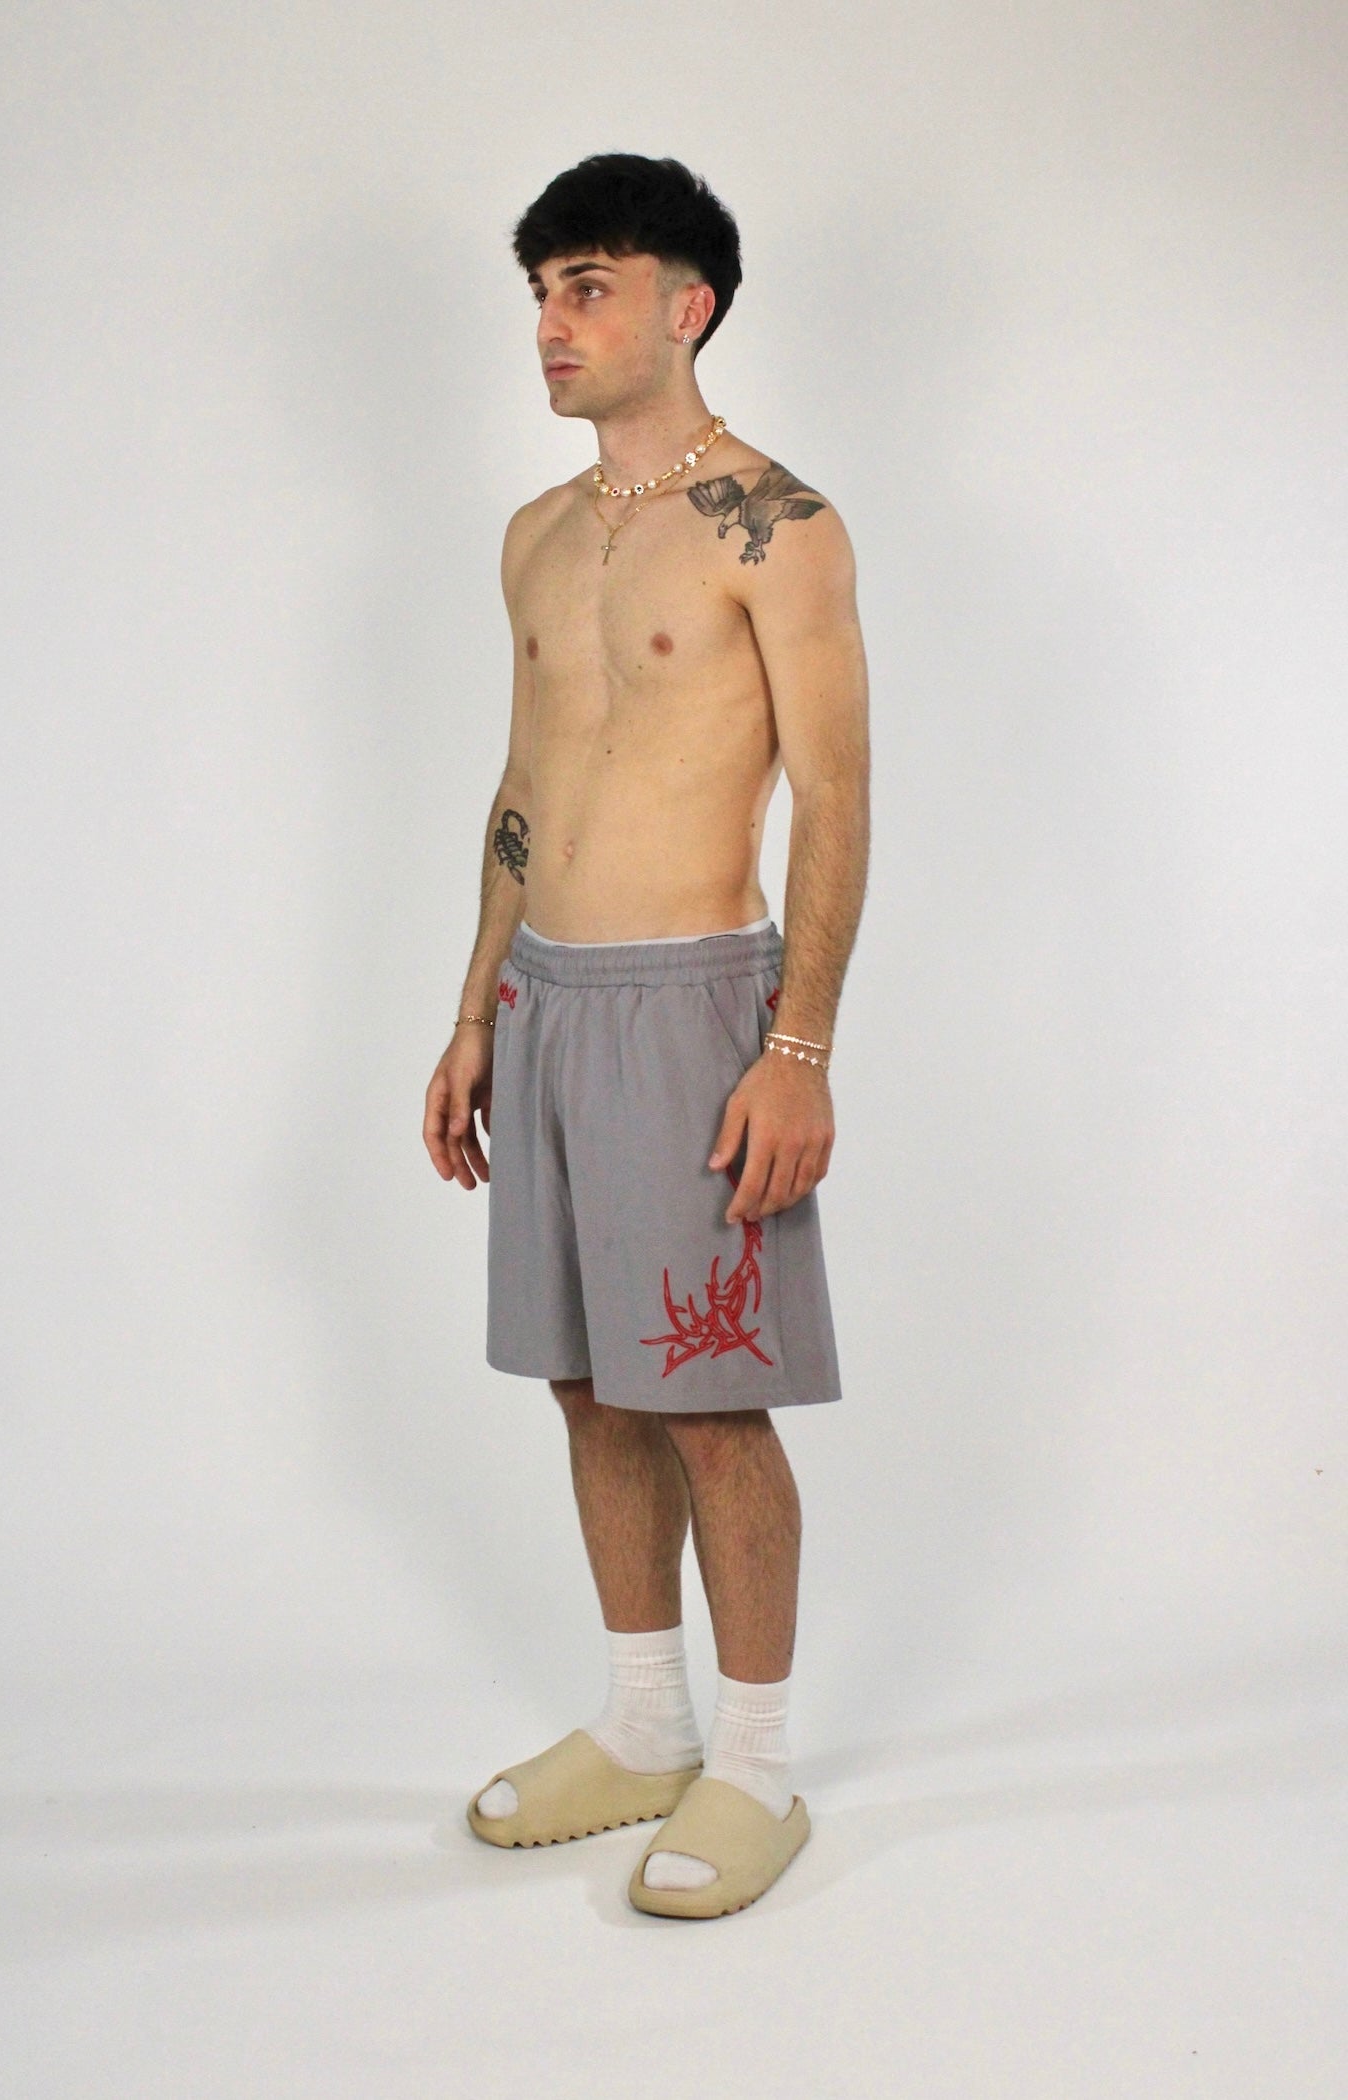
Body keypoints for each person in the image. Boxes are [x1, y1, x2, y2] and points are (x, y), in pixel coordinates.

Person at [423, 153, 870, 1918]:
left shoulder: (783, 523)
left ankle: (753, 1768)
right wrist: (475, 1008)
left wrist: (799, 1048)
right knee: (587, 1380)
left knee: (707, 1400)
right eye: (541, 289)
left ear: (689, 306)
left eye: (588, 285)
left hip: (698, 1008)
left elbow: (836, 795)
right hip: (545, 998)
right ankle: (643, 1723)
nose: (551, 321)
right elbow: (524, 784)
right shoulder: (536, 535)